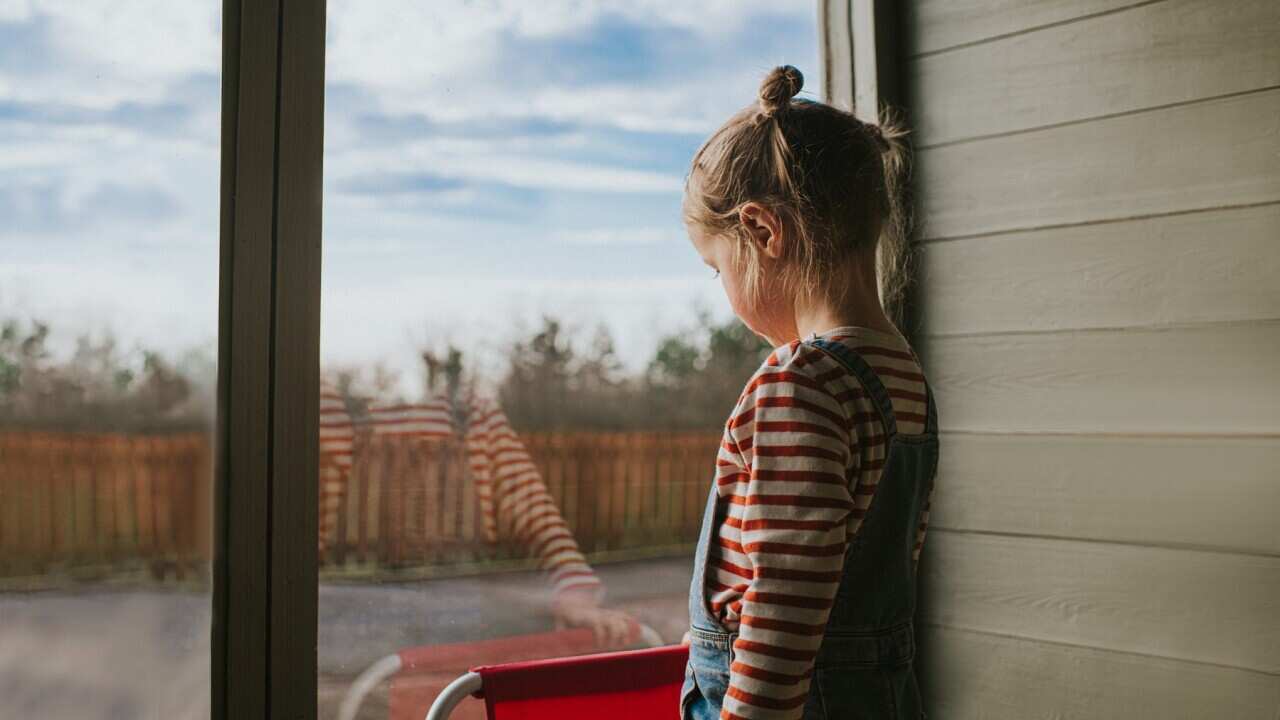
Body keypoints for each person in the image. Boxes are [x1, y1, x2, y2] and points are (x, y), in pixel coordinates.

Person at [677, 65, 938, 720]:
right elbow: (876, 571)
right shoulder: (902, 373)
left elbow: (784, 616)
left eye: (719, 269)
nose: (726, 295)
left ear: (763, 232)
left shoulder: (800, 383)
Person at [318, 369, 635, 648]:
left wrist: (573, 587)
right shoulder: (326, 406)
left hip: (459, 613)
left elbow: (531, 502)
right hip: (351, 619)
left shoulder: (472, 413)